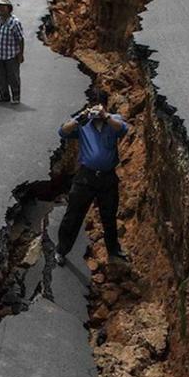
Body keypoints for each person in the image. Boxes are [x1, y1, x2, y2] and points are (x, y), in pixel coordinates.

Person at [54, 104, 130, 266]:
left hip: (107, 178)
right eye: (92, 110)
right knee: (73, 216)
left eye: (98, 109)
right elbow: (62, 132)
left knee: (109, 216)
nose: (95, 113)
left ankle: (113, 251)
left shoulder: (112, 120)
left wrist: (105, 116)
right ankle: (61, 249)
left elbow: (123, 129)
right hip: (85, 177)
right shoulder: (83, 124)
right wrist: (79, 119)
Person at [0, 0, 23, 104]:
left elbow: (20, 39)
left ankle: (16, 96)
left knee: (13, 77)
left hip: (11, 55)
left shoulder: (14, 22)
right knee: (1, 77)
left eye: (4, 6)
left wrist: (20, 54)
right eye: (0, 6)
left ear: (9, 8)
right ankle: (4, 96)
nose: (1, 8)